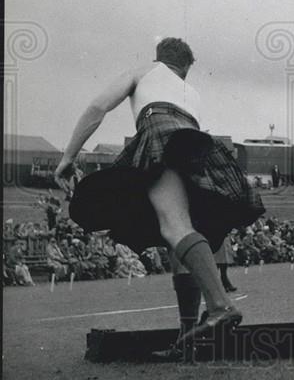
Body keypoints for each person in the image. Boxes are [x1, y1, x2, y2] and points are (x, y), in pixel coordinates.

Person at [54, 37, 264, 344]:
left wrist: (68, 157)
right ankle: (188, 331)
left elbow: (98, 107)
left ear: (159, 58)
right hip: (195, 142)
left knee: (174, 225)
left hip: (162, 133)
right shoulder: (189, 91)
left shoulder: (145, 70)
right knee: (178, 238)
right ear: (185, 66)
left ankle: (220, 306)